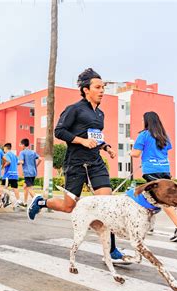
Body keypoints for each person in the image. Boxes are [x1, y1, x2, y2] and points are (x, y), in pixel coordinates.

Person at [26, 68, 128, 264]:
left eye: (103, 87)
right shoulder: (74, 109)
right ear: (85, 90)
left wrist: (106, 147)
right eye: (98, 87)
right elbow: (59, 131)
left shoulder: (100, 114)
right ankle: (41, 202)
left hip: (96, 163)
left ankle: (112, 250)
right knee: (67, 206)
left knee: (107, 205)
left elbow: (95, 137)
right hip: (76, 164)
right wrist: (81, 141)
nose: (102, 91)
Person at [130, 111, 177, 242]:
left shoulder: (143, 135)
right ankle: (150, 225)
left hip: (151, 170)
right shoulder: (164, 136)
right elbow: (165, 150)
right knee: (151, 196)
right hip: (165, 170)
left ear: (146, 121)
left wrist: (131, 149)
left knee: (163, 200)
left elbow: (135, 154)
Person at [18, 138, 41, 206]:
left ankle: (39, 203)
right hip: (33, 172)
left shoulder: (22, 152)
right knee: (25, 186)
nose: (20, 146)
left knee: (30, 188)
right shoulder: (32, 152)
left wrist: (15, 162)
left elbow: (22, 162)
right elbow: (40, 159)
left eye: (20, 144)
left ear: (23, 145)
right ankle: (25, 202)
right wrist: (36, 165)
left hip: (27, 173)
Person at [2, 143, 23, 207]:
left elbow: (8, 161)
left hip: (8, 174)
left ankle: (6, 201)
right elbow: (19, 163)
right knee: (15, 188)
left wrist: (3, 166)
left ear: (5, 148)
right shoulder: (14, 155)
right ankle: (18, 200)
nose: (4, 150)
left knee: (5, 188)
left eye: (4, 149)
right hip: (15, 174)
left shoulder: (6, 154)